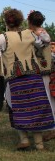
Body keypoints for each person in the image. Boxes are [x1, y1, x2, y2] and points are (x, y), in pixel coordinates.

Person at [0, 8, 55, 150]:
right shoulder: (29, 33)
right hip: (33, 76)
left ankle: (24, 140)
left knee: (18, 108)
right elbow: (46, 41)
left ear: (6, 22)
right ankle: (39, 144)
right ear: (20, 20)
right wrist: (38, 30)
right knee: (35, 108)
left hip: (16, 78)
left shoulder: (3, 37)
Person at [27, 10, 55, 141]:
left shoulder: (41, 34)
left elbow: (41, 42)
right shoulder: (39, 33)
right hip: (41, 71)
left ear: (30, 22)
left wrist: (35, 35)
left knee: (47, 99)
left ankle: (51, 128)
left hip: (42, 71)